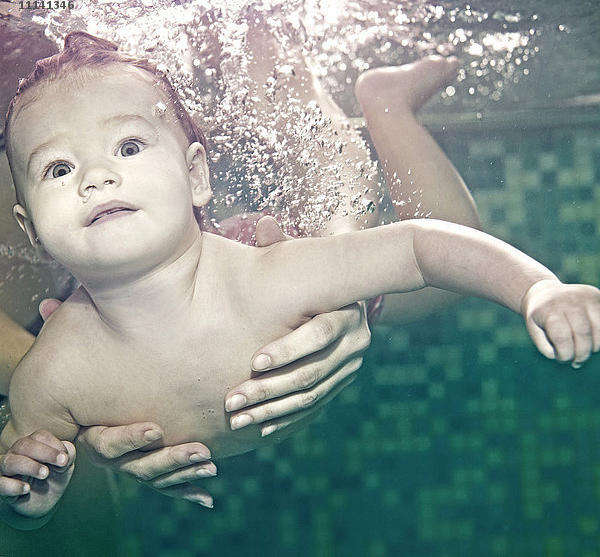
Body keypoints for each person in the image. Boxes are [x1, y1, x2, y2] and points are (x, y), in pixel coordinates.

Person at [4, 31, 598, 529]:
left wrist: (537, 287)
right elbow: (22, 481)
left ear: (197, 177)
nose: (98, 177)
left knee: (377, 232)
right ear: (30, 227)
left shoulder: (275, 279)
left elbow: (422, 245)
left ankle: (382, 100)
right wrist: (29, 504)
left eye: (128, 146)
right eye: (58, 168)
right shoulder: (51, 376)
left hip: (266, 244)